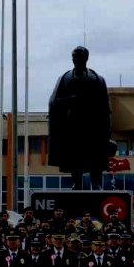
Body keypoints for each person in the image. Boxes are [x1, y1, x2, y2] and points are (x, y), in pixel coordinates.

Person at [47, 45, 112, 189]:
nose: (76, 60)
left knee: (95, 155)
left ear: (86, 58)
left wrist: (107, 129)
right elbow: (53, 102)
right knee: (74, 156)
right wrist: (71, 99)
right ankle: (77, 183)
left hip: (93, 125)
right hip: (72, 125)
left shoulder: (98, 79)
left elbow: (105, 107)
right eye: (74, 58)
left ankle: (97, 183)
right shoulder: (65, 78)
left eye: (79, 57)